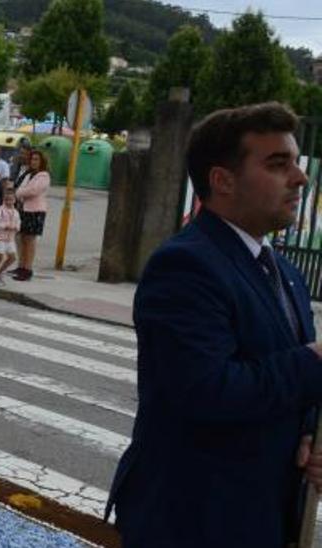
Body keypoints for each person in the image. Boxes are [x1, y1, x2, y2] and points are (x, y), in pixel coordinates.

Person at [105, 102, 322, 545]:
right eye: (278, 164)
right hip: (193, 520)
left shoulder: (285, 272)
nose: (299, 178)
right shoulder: (185, 265)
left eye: (296, 163)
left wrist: (309, 437)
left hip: (263, 514)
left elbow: (289, 388)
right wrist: (313, 362)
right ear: (222, 180)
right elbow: (207, 391)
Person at [12, 150, 51, 281]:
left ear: (42, 162)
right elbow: (18, 186)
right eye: (32, 159)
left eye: (36, 159)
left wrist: (18, 192)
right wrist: (19, 191)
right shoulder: (28, 173)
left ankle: (28, 269)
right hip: (23, 210)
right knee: (21, 238)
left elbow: (32, 191)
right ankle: (21, 266)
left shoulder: (43, 175)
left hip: (35, 211)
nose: (34, 162)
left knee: (29, 240)